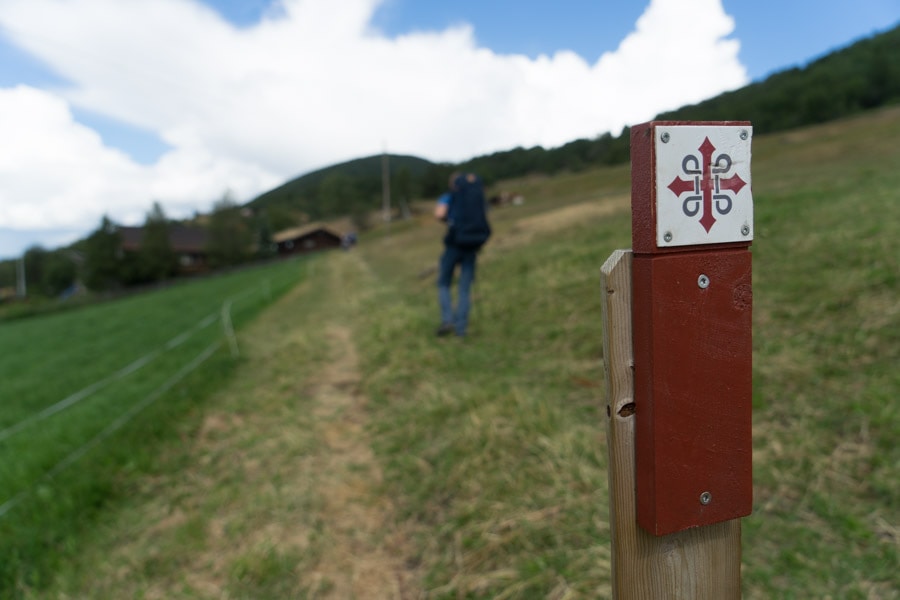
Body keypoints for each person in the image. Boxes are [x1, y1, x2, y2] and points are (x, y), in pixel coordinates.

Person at [434, 172, 491, 337]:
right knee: (464, 288)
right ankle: (461, 329)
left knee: (444, 282)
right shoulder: (475, 194)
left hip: (454, 244)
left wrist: (451, 222)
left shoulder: (450, 196)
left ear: (453, 184)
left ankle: (447, 320)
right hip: (472, 245)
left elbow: (439, 214)